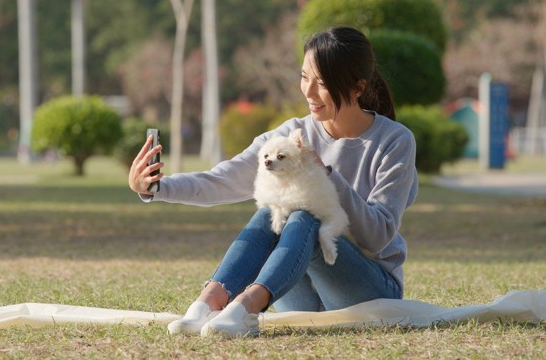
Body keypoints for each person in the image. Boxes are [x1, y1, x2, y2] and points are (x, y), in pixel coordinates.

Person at [128, 26, 418, 338]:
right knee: (273, 209)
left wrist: (326, 177)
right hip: (299, 296)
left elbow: (378, 236)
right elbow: (224, 179)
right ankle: (208, 302)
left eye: (321, 83)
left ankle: (245, 308)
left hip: (367, 292)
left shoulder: (393, 140)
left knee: (307, 212)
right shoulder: (292, 135)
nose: (308, 91)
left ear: (358, 87)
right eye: (305, 77)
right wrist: (156, 187)